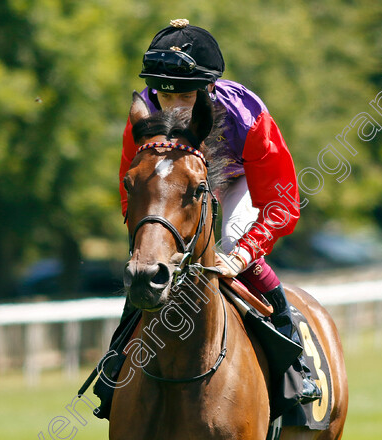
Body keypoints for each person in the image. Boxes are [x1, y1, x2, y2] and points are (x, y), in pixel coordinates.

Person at [115, 19, 321, 404]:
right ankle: (116, 363)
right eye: (165, 96)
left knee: (231, 245)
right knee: (147, 262)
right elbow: (134, 194)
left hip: (235, 180)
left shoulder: (247, 114)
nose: (174, 110)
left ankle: (295, 367)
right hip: (175, 186)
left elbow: (282, 203)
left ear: (209, 89)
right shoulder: (143, 119)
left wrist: (243, 253)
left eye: (186, 98)